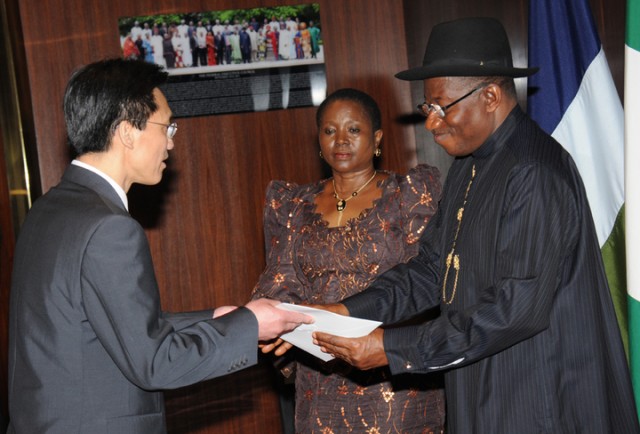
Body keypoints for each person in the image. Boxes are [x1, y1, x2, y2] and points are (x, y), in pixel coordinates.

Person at [311, 17, 640, 433]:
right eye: (427, 108)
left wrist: (393, 349)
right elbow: (433, 269)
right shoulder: (468, 166)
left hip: (537, 401)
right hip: (480, 389)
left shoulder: (534, 171)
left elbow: (515, 310)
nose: (431, 123)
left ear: (489, 96)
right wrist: (347, 312)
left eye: (441, 106)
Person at [6, 58, 312, 434]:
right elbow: (155, 362)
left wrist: (214, 318)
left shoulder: (49, 209)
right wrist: (249, 325)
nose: (171, 141)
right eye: (167, 126)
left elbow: (110, 326)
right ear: (128, 132)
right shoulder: (109, 228)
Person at [253, 88, 445, 433]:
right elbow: (279, 281)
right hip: (319, 375)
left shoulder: (408, 195)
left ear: (377, 138)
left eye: (353, 130)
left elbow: (428, 281)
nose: (340, 140)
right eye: (329, 131)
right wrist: (282, 321)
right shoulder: (293, 204)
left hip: (390, 376)